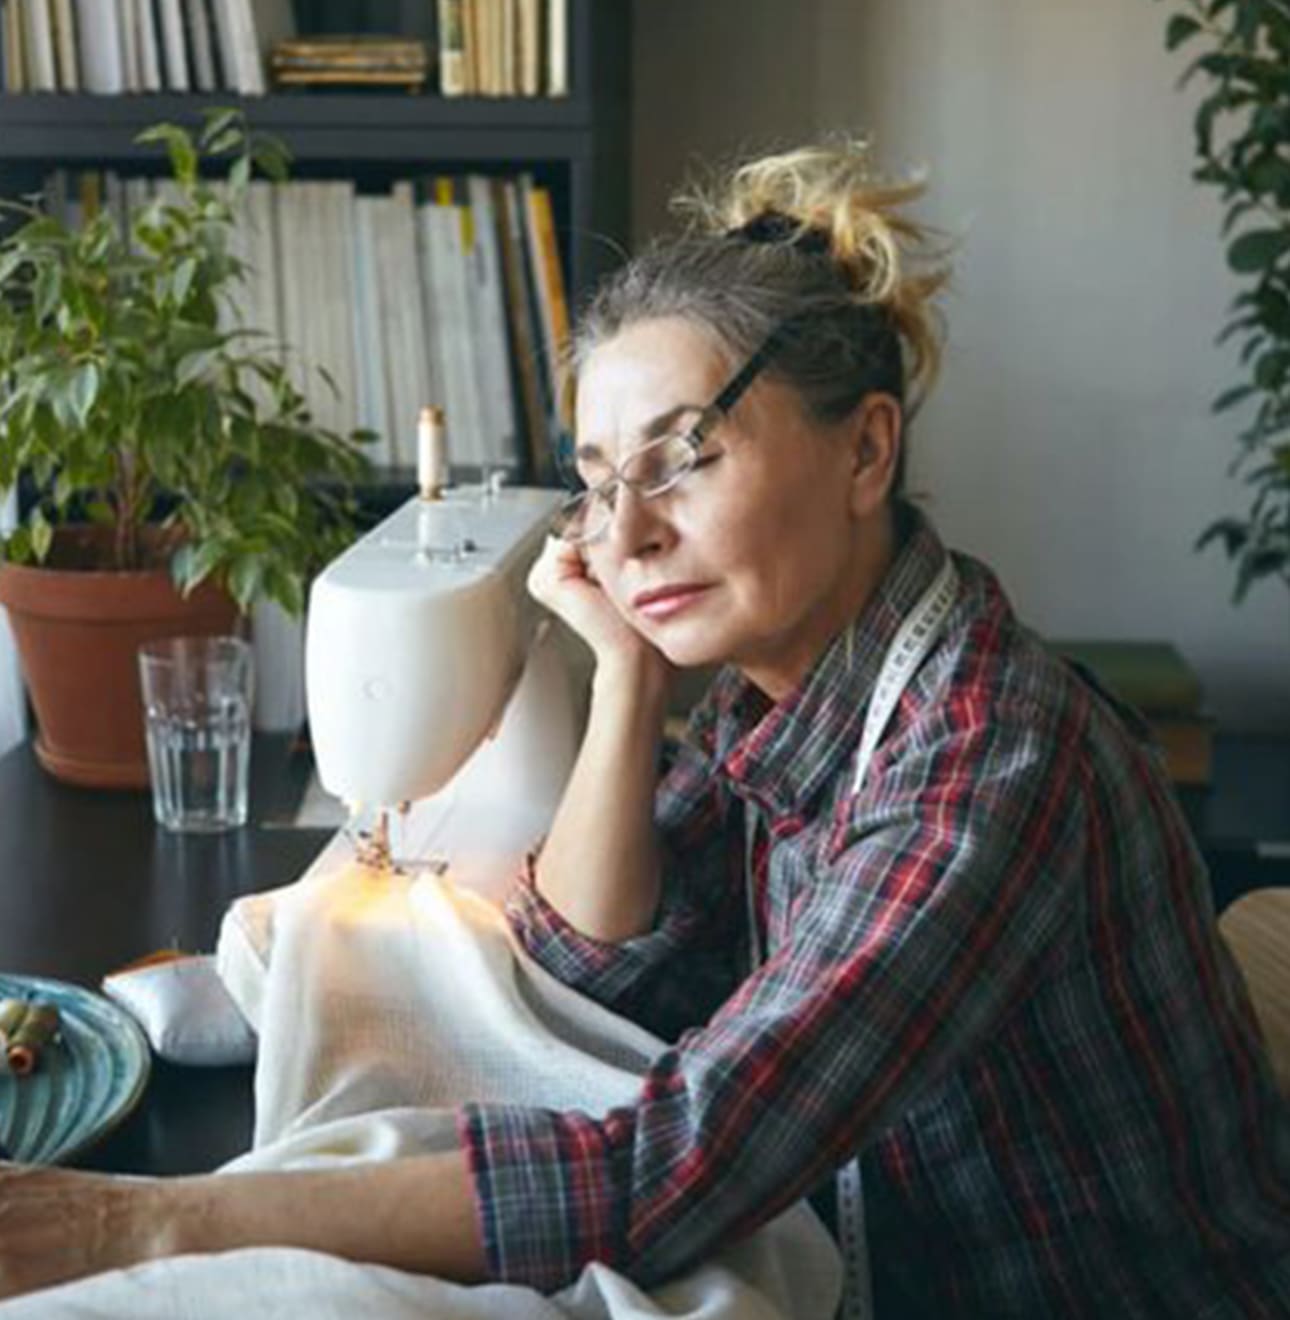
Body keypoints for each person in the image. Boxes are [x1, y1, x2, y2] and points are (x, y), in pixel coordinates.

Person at [3, 138, 1288, 1317]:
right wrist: (622, 669)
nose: (624, 537)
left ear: (866, 452)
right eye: (601, 480)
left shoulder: (987, 762)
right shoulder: (772, 691)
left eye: (683, 458)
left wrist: (152, 1228)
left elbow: (669, 1167)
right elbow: (589, 963)